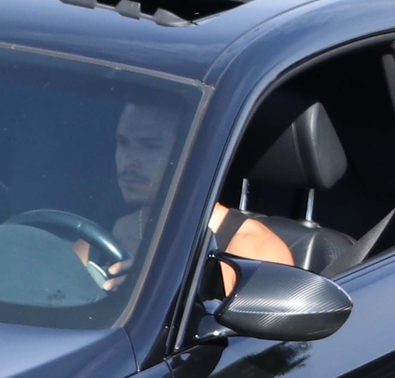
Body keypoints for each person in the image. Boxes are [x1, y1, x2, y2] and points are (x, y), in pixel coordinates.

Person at [102, 97, 293, 288]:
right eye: (123, 143)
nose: (129, 161)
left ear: (191, 151)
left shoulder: (255, 251)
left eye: (149, 146)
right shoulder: (114, 230)